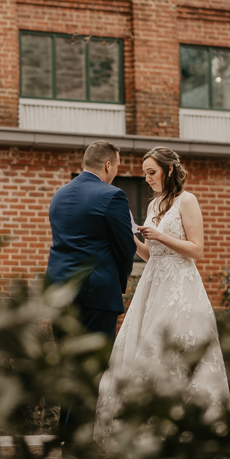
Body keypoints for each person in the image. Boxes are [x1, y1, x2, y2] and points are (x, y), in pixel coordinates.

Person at [95, 146, 230, 443]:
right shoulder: (154, 205)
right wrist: (130, 236)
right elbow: (150, 254)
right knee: (145, 347)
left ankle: (187, 424)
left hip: (180, 285)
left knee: (175, 348)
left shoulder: (187, 200)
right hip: (153, 283)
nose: (147, 179)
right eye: (144, 174)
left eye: (151, 172)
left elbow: (197, 249)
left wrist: (161, 236)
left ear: (169, 170)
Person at [45, 140, 137, 443]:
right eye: (117, 166)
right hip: (95, 292)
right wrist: (117, 282)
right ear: (108, 165)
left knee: (70, 369)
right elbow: (125, 250)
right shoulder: (113, 196)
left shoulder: (59, 194)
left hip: (58, 291)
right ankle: (76, 446)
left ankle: (67, 439)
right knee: (90, 373)